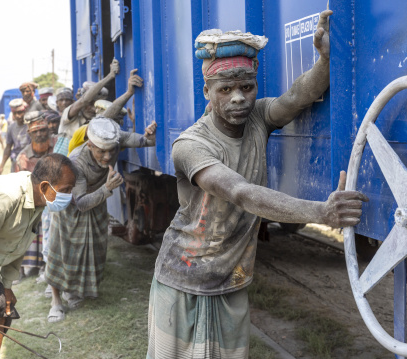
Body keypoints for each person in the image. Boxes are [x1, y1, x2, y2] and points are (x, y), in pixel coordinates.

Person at [147, 11, 367, 358]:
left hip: (231, 278)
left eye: (246, 87)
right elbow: (240, 192)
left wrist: (325, 60)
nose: (238, 98)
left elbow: (297, 97)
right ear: (207, 91)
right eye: (226, 89)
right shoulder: (190, 146)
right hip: (182, 280)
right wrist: (321, 212)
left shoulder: (258, 119)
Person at [45, 117, 157, 323]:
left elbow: (144, 141)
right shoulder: (76, 163)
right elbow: (79, 203)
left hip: (96, 204)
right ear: (89, 144)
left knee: (90, 253)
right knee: (62, 255)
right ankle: (56, 301)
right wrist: (107, 189)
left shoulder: (113, 139)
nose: (107, 156)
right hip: (70, 210)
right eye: (101, 151)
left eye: (112, 150)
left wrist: (150, 136)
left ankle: (74, 291)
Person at [0, 154, 77, 359]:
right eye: (65, 190)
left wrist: (6, 286)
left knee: (1, 307)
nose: (69, 196)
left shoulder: (37, 201)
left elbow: (19, 242)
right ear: (44, 187)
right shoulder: (7, 198)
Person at [14, 112, 58, 281]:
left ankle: (47, 265)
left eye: (42, 130)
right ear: (30, 134)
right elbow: (23, 185)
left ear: (48, 130)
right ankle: (25, 266)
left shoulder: (57, 145)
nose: (39, 134)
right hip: (35, 199)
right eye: (35, 131)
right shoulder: (24, 157)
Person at [54, 59, 119, 155]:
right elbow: (84, 100)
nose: (92, 108)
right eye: (90, 103)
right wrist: (110, 76)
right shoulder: (68, 116)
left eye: (96, 104)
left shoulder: (99, 120)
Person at [0, 99, 30, 175]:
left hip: (29, 161)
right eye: (14, 113)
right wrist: (1, 166)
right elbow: (8, 147)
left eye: (20, 112)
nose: (17, 116)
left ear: (25, 111)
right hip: (16, 161)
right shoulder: (11, 128)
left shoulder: (30, 126)